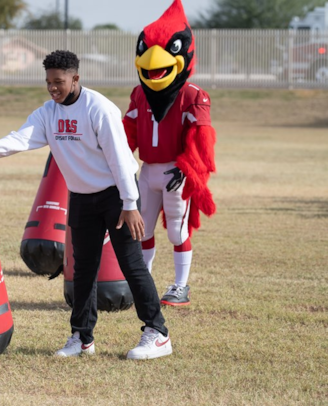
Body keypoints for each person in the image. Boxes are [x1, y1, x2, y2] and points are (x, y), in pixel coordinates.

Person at [0, 50, 172, 360]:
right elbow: (22, 137)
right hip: (82, 198)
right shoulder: (48, 113)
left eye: (59, 82)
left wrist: (129, 203)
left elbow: (121, 160)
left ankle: (157, 333)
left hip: (116, 196)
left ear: (75, 79)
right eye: (48, 82)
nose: (53, 88)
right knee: (82, 269)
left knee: (131, 264)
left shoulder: (99, 109)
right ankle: (82, 338)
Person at [123, 0, 216, 306]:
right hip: (147, 170)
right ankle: (143, 281)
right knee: (142, 228)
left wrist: (187, 168)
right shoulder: (139, 94)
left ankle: (180, 285)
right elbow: (127, 133)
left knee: (176, 231)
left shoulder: (193, 96)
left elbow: (200, 140)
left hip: (175, 171)